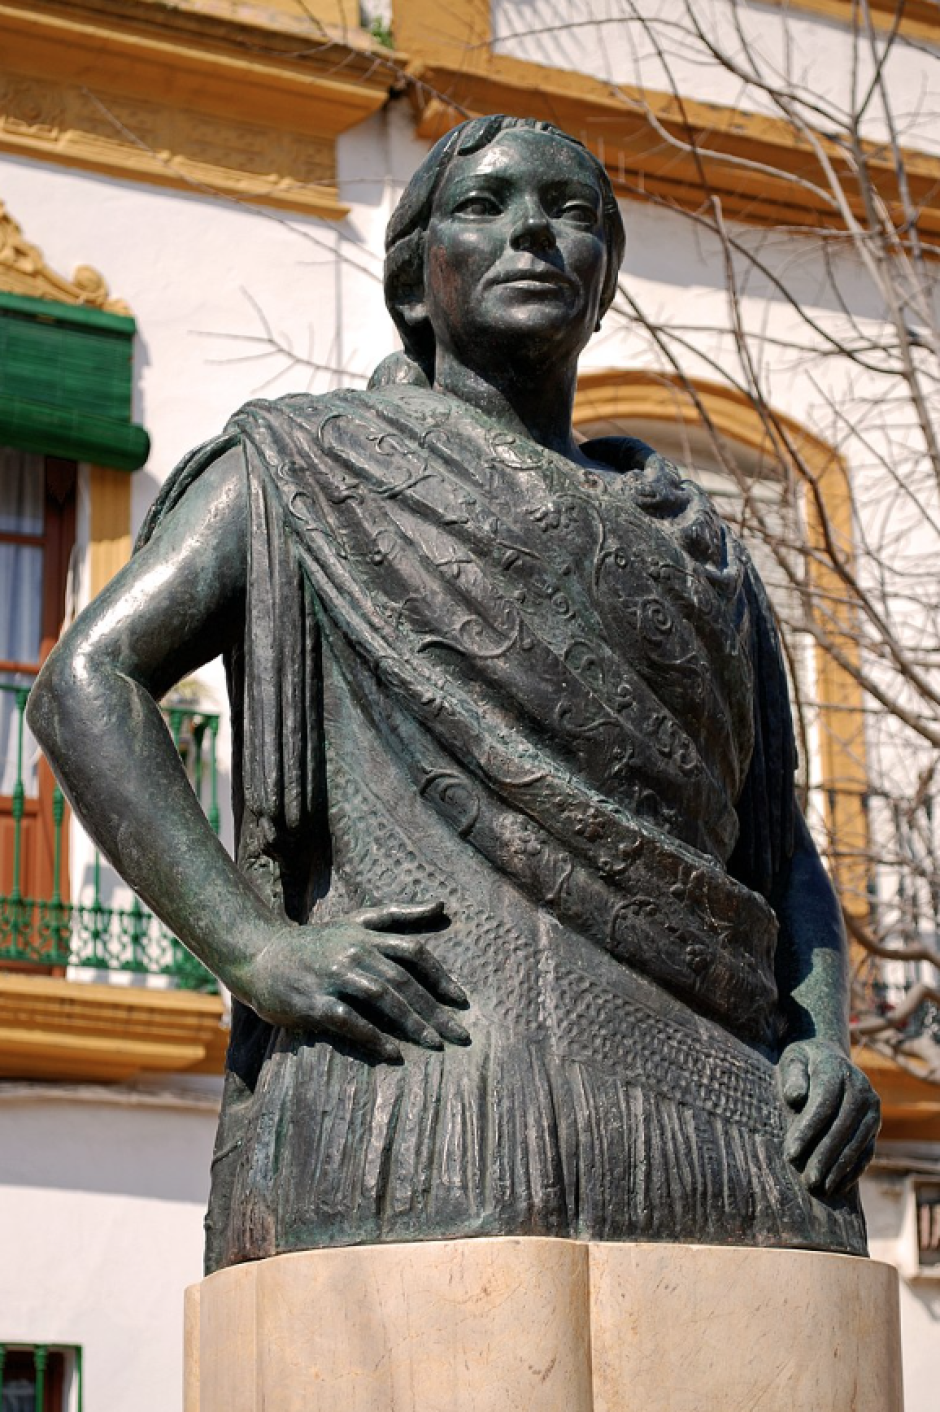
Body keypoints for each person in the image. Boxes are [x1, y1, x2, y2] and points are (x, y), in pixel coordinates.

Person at [29, 115, 879, 1272]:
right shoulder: (306, 465)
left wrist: (822, 1039)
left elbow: (781, 847)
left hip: (728, 1107)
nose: (533, 229)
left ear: (603, 285)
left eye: (571, 214)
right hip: (423, 1078)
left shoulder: (702, 553)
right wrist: (258, 950)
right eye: (484, 205)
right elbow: (88, 681)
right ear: (415, 283)